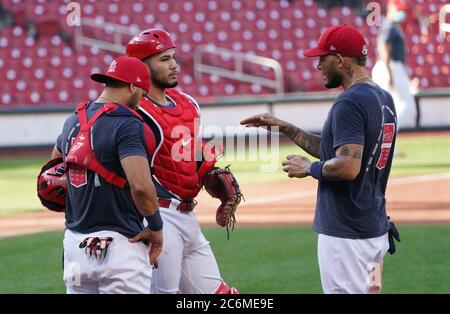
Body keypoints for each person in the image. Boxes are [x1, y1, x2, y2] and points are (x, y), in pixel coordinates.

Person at [241, 25, 400, 294]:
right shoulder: (383, 98)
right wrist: (288, 128)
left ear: (340, 60)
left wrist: (309, 168)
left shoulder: (348, 103)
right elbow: (341, 151)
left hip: (346, 236)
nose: (317, 66)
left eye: (322, 58)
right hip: (373, 230)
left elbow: (347, 166)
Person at [125, 29, 239, 294]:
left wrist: (211, 173)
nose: (174, 65)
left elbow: (192, 154)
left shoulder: (188, 104)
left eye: (173, 57)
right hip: (156, 216)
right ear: (142, 65)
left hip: (188, 216)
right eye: (164, 59)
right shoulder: (133, 111)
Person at [50, 56, 163, 294]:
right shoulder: (127, 124)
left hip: (74, 245)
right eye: (141, 93)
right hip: (120, 247)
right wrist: (156, 227)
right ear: (133, 86)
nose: (141, 101)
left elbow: (51, 172)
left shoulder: (72, 120)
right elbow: (141, 186)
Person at [372, 0, 417, 129]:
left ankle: (387, 141)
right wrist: (389, 73)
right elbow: (384, 48)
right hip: (390, 67)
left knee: (391, 108)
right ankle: (385, 135)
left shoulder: (392, 26)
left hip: (392, 67)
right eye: (398, 10)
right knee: (405, 107)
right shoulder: (389, 26)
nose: (401, 13)